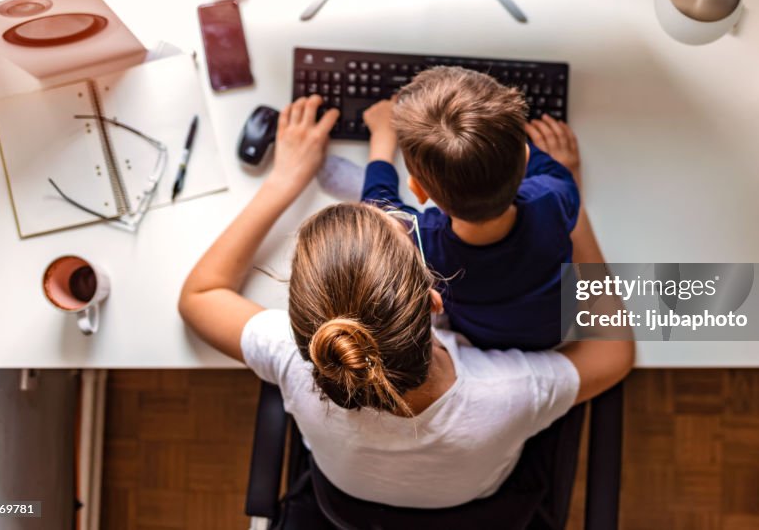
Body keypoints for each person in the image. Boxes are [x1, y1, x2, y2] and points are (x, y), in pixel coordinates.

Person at [179, 95, 634, 510]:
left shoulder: (299, 360)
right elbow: (615, 353)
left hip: (346, 503)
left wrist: (285, 179)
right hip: (478, 503)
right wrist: (574, 220)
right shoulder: (506, 392)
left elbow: (198, 296)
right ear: (436, 300)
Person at [361, 67, 580, 350]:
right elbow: (545, 169)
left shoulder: (422, 243)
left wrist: (381, 140)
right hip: (554, 329)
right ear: (526, 160)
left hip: (481, 339)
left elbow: (377, 211)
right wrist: (558, 164)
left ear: (418, 191)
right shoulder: (554, 194)